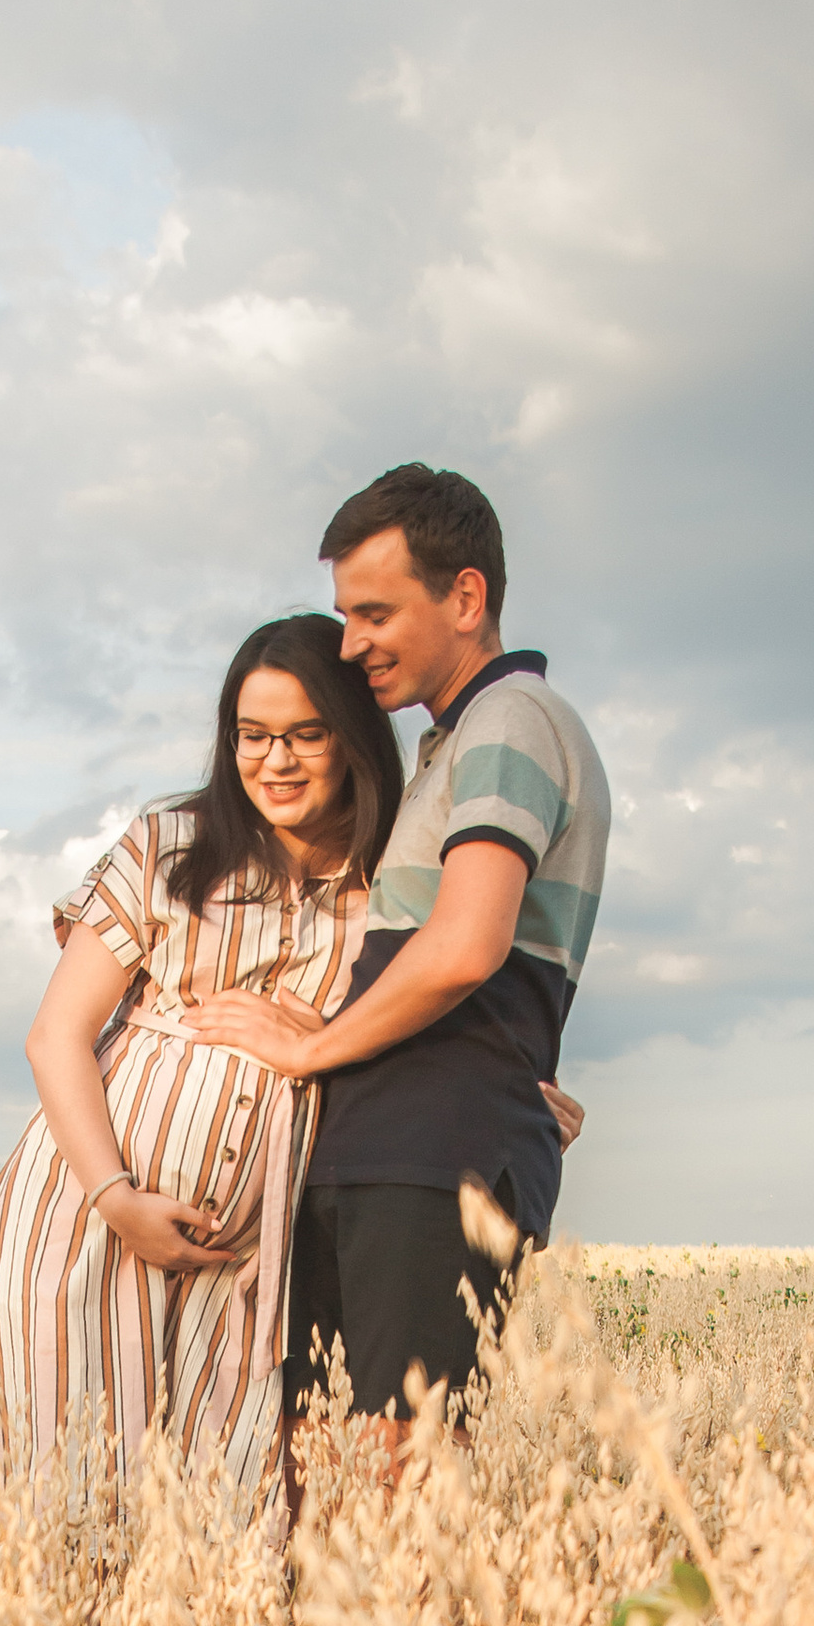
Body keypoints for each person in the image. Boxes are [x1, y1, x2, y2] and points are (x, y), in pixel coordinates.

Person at [187, 463, 607, 1450]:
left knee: (394, 1482)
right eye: (344, 614)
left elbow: (465, 946)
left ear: (465, 596)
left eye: (374, 612)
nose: (349, 643)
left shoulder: (512, 721)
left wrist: (310, 1050)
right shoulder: (454, 743)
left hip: (429, 1159)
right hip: (386, 1148)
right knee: (319, 1485)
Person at [0, 615, 405, 1501]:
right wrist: (117, 1200)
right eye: (252, 736)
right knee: (54, 1509)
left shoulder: (393, 876)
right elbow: (55, 1037)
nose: (275, 760)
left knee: (214, 1529)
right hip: (76, 1228)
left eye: (306, 734)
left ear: (352, 736)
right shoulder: (169, 847)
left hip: (245, 1265)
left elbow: (427, 1008)